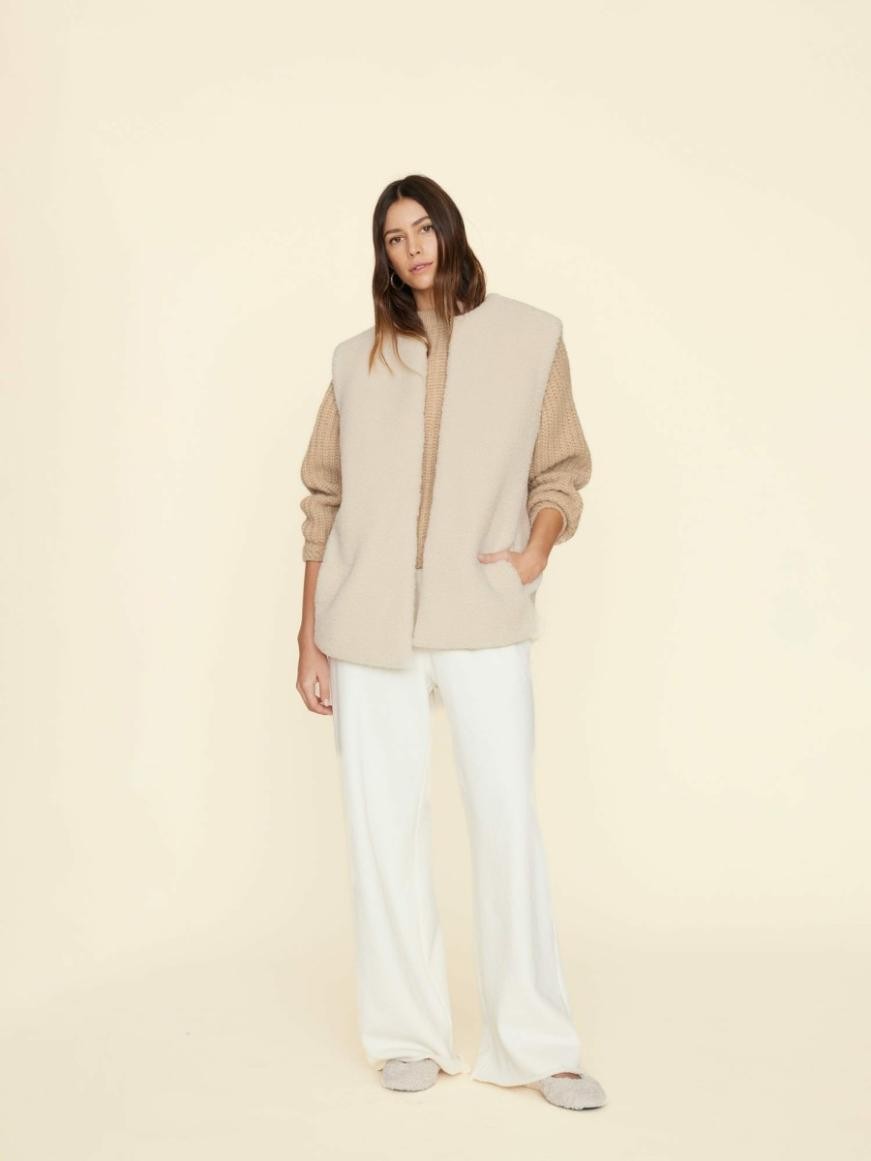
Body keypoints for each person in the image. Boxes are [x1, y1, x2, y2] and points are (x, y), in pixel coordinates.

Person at [296, 174, 606, 1112]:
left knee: (506, 822)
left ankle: (537, 1044)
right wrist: (309, 636)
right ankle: (406, 1034)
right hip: (367, 622)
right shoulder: (355, 359)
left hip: (479, 609)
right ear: (383, 255)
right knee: (381, 830)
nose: (412, 248)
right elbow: (322, 498)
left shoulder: (531, 336)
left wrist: (530, 555)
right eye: (394, 237)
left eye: (423, 228)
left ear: (450, 230)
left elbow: (561, 471)